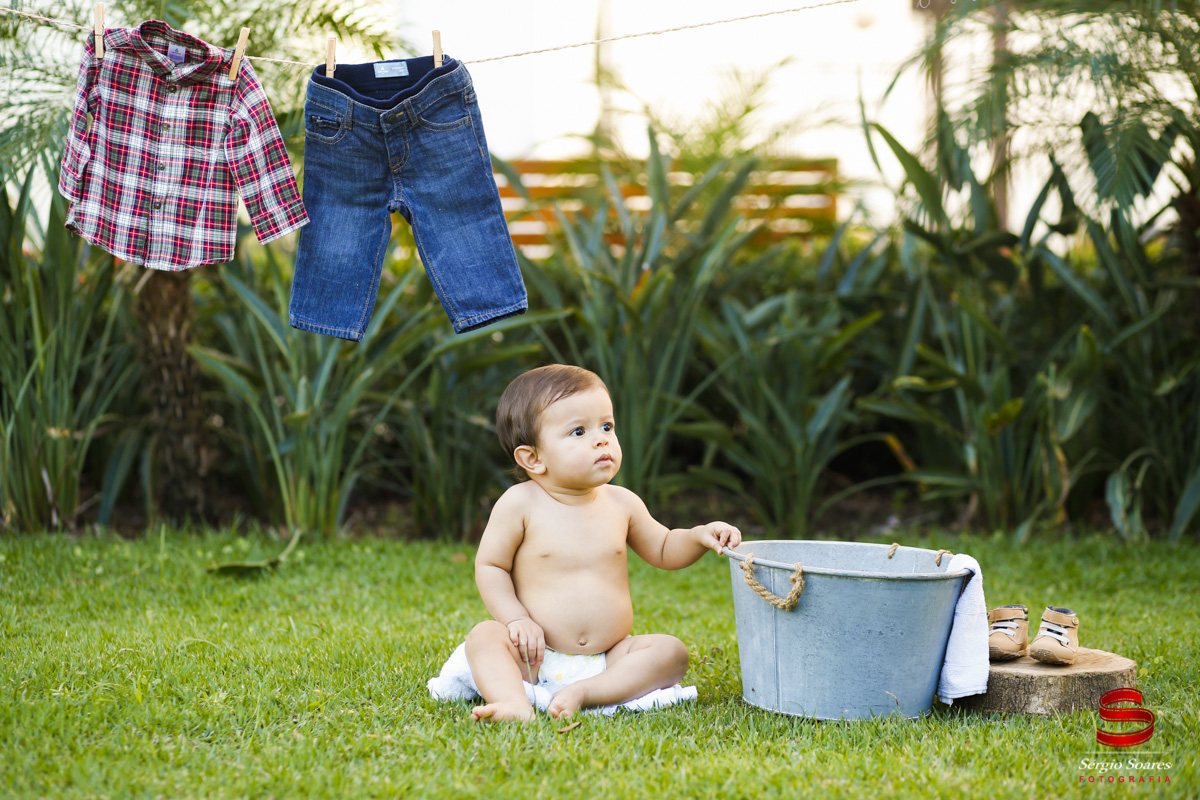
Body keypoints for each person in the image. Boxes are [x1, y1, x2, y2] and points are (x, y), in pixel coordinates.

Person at [465, 364, 741, 722]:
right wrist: (516, 619)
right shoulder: (520, 503)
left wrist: (699, 535)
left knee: (670, 652)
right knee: (484, 636)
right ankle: (513, 702)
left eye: (606, 426)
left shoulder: (621, 502)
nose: (601, 439)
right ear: (533, 458)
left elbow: (663, 548)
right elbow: (491, 567)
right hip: (535, 654)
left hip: (611, 655)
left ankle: (587, 691)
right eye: (579, 431)